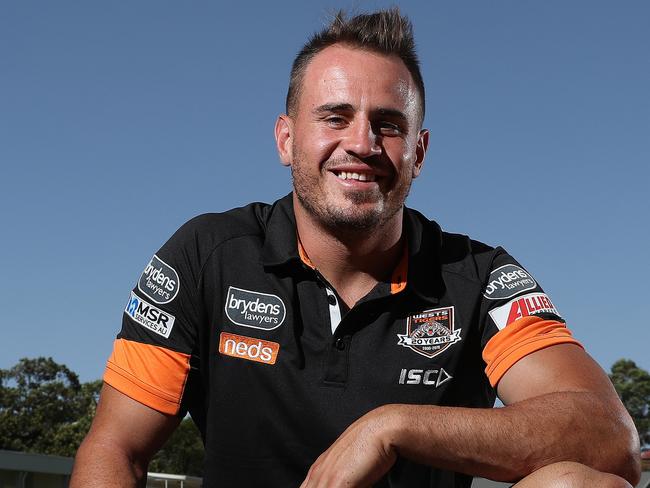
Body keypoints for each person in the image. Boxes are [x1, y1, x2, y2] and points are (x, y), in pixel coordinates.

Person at [71, 8, 640, 488]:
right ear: (286, 139)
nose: (362, 144)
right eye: (334, 117)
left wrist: (392, 427)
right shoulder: (205, 254)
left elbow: (610, 438)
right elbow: (117, 450)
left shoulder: (480, 276)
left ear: (419, 151)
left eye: (388, 125)